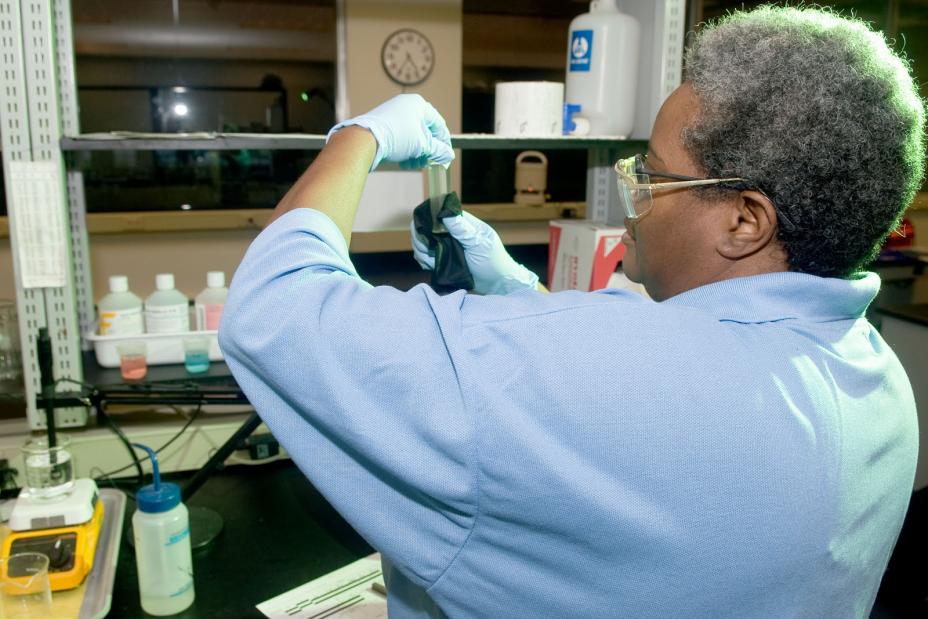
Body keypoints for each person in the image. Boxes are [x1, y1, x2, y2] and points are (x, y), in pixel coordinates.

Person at [220, 6, 925, 617]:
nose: (634, 195)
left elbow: (273, 307)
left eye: (649, 174)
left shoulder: (583, 381)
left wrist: (359, 137)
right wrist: (520, 297)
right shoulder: (882, 381)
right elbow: (641, 393)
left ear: (746, 220)